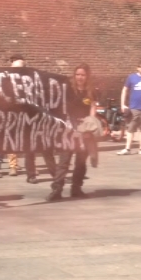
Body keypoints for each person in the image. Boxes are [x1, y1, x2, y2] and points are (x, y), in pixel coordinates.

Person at [48, 64, 97, 201]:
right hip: (69, 130)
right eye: (77, 75)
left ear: (87, 76)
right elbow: (62, 108)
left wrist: (90, 125)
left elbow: (93, 108)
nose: (80, 77)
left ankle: (76, 189)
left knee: (81, 162)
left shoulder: (90, 92)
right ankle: (57, 190)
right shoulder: (68, 90)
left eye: (83, 75)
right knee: (64, 161)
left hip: (85, 130)